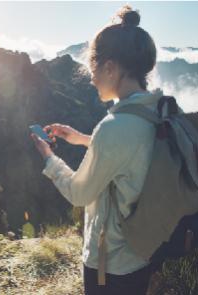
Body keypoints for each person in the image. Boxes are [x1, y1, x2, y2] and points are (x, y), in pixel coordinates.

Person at [30, 5, 163, 295]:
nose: (91, 79)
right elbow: (133, 153)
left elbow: (79, 193)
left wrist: (48, 157)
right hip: (144, 254)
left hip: (111, 265)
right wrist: (82, 139)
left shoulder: (114, 127)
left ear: (111, 67)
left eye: (93, 69)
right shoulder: (157, 110)